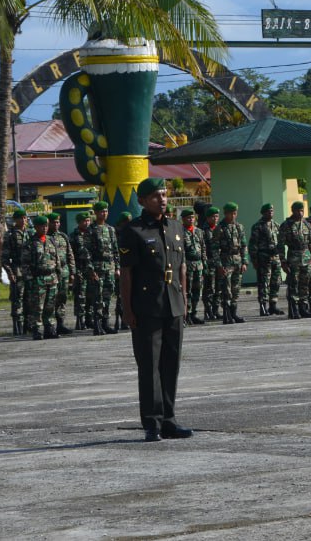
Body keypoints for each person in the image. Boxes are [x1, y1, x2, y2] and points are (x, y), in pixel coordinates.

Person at [118, 177, 192, 443]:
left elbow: (181, 265)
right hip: (147, 308)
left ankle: (169, 420)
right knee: (149, 367)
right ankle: (152, 423)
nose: (161, 199)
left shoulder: (175, 226)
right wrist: (127, 309)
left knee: (171, 365)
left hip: (173, 306)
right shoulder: (133, 231)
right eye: (155, 196)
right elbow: (126, 274)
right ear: (141, 201)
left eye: (163, 194)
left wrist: (183, 298)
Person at [87, 202, 120, 335]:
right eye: (101, 211)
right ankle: (97, 324)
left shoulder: (110, 229)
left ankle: (106, 323)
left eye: (106, 211)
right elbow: (87, 252)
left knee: (107, 296)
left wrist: (117, 268)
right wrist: (91, 270)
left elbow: (115, 251)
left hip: (110, 267)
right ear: (95, 213)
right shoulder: (91, 230)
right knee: (98, 297)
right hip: (98, 267)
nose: (104, 213)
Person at [24, 215, 58, 341]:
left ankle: (50, 329)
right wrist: (30, 280)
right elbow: (25, 264)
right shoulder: (30, 243)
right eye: (42, 226)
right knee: (38, 306)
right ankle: (37, 330)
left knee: (50, 305)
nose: (45, 228)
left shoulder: (51, 240)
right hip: (38, 278)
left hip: (52, 277)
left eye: (46, 225)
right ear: (36, 227)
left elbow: (56, 259)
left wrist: (58, 273)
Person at [213, 202, 247, 324]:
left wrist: (245, 262)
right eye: (230, 213)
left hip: (237, 259)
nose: (233, 216)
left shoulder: (239, 227)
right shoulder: (220, 228)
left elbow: (243, 245)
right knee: (226, 289)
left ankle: (234, 313)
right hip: (226, 260)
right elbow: (215, 249)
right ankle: (226, 314)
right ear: (226, 213)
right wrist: (219, 265)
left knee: (236, 288)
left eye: (235, 213)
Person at [279, 201, 311, 319]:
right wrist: (283, 261)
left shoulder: (306, 224)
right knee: (294, 282)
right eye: (298, 210)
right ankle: (293, 309)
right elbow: (280, 245)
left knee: (305, 282)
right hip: (293, 255)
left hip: (306, 255)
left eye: (302, 210)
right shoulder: (286, 225)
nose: (300, 213)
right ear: (293, 211)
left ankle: (303, 307)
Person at [249, 203, 282, 316]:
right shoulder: (258, 226)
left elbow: (281, 242)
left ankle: (273, 305)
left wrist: (282, 257)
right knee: (264, 283)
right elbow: (253, 245)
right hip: (264, 257)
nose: (270, 213)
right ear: (263, 213)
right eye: (268, 211)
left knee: (276, 282)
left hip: (275, 257)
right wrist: (254, 260)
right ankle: (263, 306)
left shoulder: (276, 225)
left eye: (272, 211)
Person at [47, 213, 74, 336]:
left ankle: (60, 324)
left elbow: (70, 255)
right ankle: (50, 325)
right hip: (51, 273)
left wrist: (72, 272)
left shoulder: (63, 236)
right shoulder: (45, 238)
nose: (56, 224)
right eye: (54, 222)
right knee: (51, 299)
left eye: (58, 222)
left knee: (62, 298)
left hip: (64, 272)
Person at [4, 208, 30, 336]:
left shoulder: (30, 233)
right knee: (17, 297)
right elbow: (5, 257)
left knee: (29, 297)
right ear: (16, 220)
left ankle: (27, 324)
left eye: (25, 218)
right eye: (21, 218)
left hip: (29, 270)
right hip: (17, 269)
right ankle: (17, 325)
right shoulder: (10, 235)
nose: (24, 220)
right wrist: (10, 272)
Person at [181, 209, 206, 325]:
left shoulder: (199, 231)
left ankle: (194, 313)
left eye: (192, 218)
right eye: (188, 218)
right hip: (188, 264)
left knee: (197, 290)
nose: (191, 220)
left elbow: (203, 247)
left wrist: (204, 262)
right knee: (188, 291)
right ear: (183, 219)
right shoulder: (180, 232)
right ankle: (187, 314)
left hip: (198, 264)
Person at [69, 212, 92, 330]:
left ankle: (89, 318)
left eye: (88, 220)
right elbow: (71, 254)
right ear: (79, 222)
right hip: (79, 269)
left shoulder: (92, 234)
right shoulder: (73, 236)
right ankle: (80, 319)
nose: (87, 223)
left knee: (91, 295)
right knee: (80, 295)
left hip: (91, 269)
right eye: (84, 221)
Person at [200, 206, 221, 320]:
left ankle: (216, 310)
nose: (215, 218)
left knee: (218, 288)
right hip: (209, 262)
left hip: (219, 263)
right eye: (213, 216)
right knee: (209, 288)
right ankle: (208, 311)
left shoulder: (219, 229)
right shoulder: (203, 230)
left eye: (217, 216)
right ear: (207, 218)